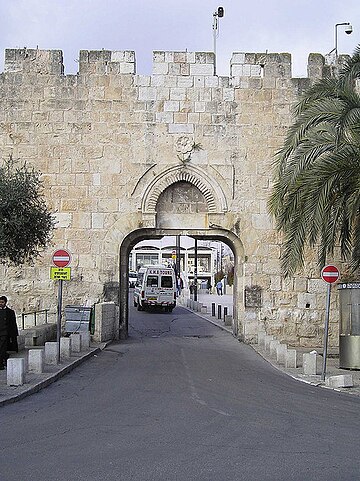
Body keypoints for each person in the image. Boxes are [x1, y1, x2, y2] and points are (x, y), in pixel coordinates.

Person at [0, 296, 18, 369]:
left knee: (2, 348)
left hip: (5, 333)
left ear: (5, 303)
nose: (1, 304)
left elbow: (13, 324)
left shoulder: (10, 312)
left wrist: (14, 335)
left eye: (2, 302)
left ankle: (1, 363)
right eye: (0, 302)